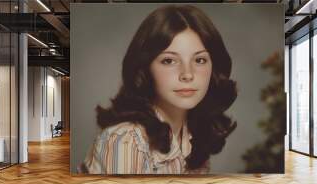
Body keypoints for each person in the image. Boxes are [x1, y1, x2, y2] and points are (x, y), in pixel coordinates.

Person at [79, 4, 237, 174]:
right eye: (169, 61)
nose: (187, 74)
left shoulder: (194, 134)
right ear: (145, 68)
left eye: (199, 60)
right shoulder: (126, 140)